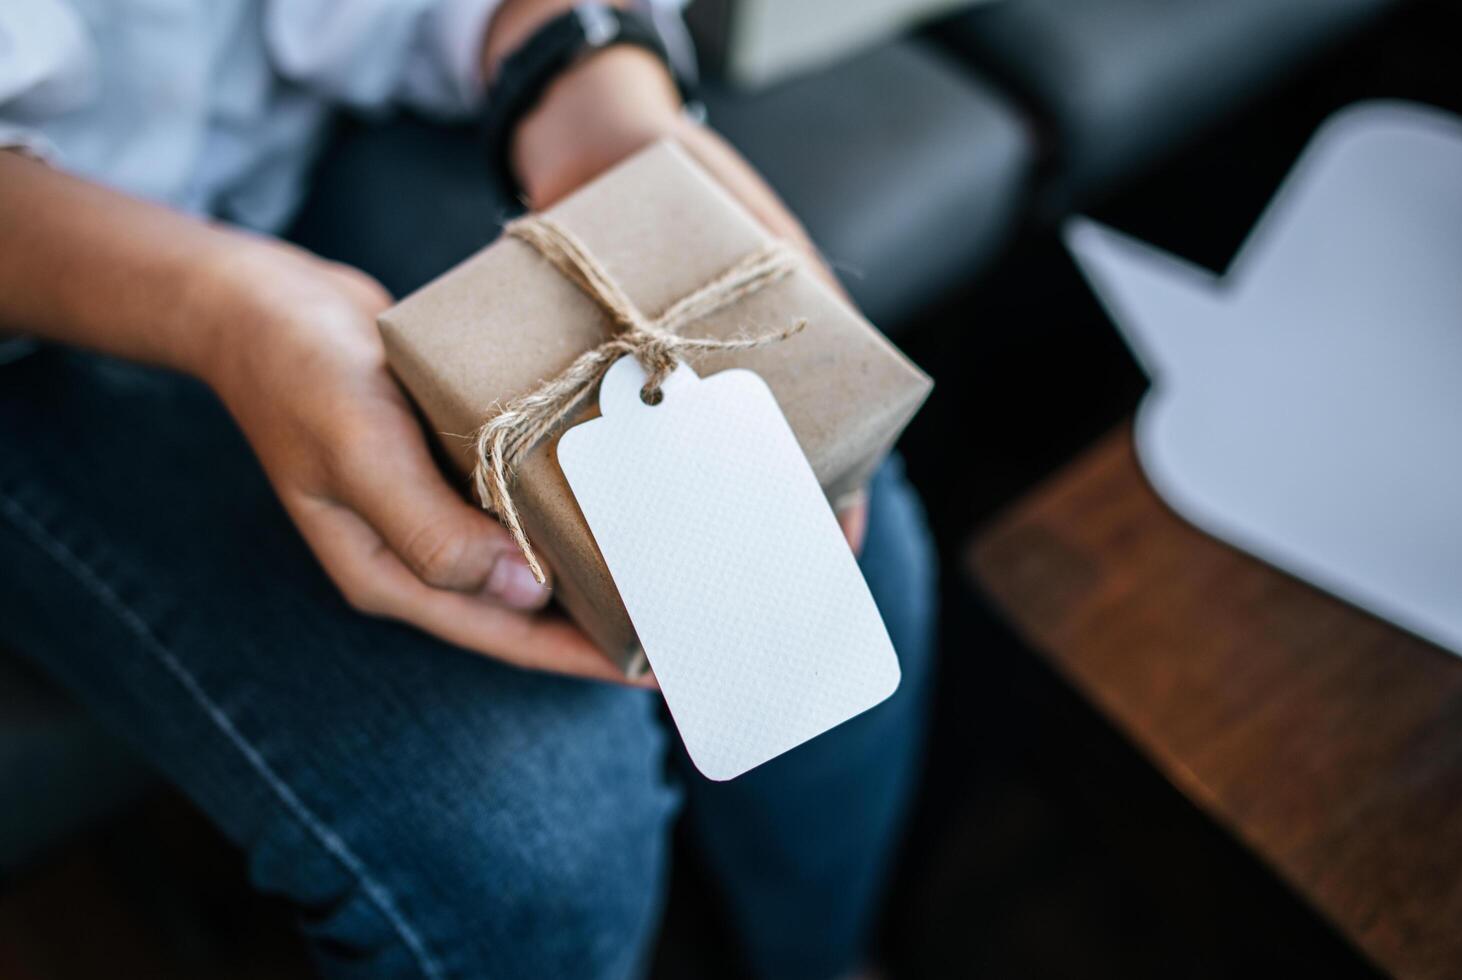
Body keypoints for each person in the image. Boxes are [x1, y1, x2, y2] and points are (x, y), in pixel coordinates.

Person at [0, 2, 936, 977]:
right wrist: (225, 312)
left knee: (832, 552)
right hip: (34, 306)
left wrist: (573, 64)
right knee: (528, 823)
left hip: (311, 125)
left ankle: (819, 958)